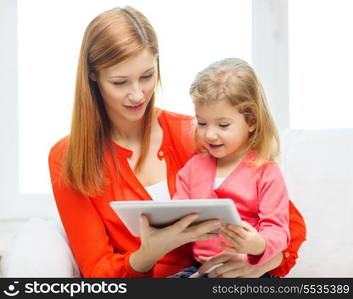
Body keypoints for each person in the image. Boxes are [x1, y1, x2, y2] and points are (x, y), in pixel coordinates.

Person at [48, 6, 306, 278]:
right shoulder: (68, 158)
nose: (137, 95)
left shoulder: (199, 133)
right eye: (120, 82)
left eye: (147, 76)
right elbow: (98, 274)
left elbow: (292, 226)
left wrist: (258, 264)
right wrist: (148, 254)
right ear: (93, 77)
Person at [170, 58, 293, 278]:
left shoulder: (265, 171)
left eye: (223, 125)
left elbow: (278, 230)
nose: (210, 134)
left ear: (251, 121)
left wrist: (257, 245)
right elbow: (178, 214)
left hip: (250, 270)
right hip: (201, 269)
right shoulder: (193, 168)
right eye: (202, 123)